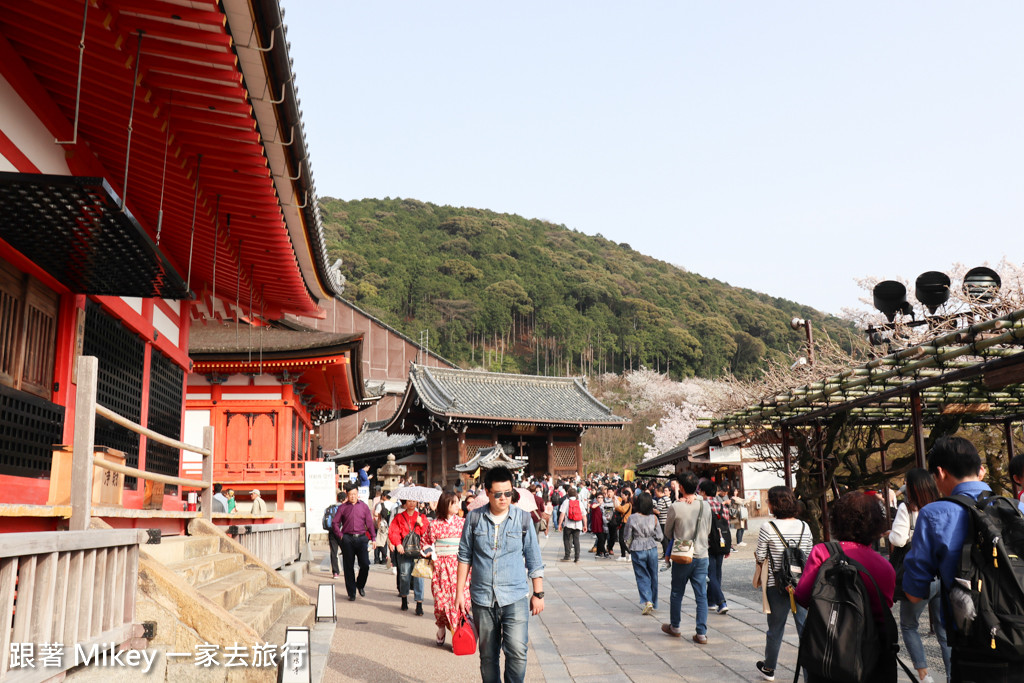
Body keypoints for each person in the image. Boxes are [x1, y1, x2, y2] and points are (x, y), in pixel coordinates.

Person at [903, 436, 1022, 683]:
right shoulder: (1015, 508)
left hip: (974, 649)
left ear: (940, 473)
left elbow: (915, 593)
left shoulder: (934, 514)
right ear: (979, 470)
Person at [794, 491, 896, 683]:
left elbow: (802, 596)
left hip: (827, 650)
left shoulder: (822, 553)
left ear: (836, 520)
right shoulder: (885, 567)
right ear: (876, 524)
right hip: (870, 655)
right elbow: (884, 609)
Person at [456, 466, 545, 683]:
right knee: (488, 655)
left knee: (517, 650)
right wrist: (459, 593)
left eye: (508, 493)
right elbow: (464, 556)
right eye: (498, 494)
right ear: (487, 492)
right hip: (483, 598)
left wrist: (538, 593)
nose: (503, 498)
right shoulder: (474, 518)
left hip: (514, 596)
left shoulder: (523, 519)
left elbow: (534, 558)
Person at [888, 468, 950, 683]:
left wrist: (888, 533)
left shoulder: (908, 508)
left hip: (918, 575)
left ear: (912, 487)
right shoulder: (944, 506)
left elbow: (898, 540)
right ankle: (952, 676)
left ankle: (924, 675)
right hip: (941, 575)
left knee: (909, 625)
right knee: (944, 630)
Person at [754, 486, 813, 682]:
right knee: (805, 629)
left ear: (774, 504)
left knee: (775, 629)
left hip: (776, 585)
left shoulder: (767, 527)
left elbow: (761, 555)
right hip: (802, 584)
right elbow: (810, 554)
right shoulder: (805, 526)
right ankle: (809, 674)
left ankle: (769, 667)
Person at [661, 472, 712, 644]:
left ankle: (675, 626)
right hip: (702, 554)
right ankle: (701, 633)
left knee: (677, 592)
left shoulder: (676, 507)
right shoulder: (706, 506)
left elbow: (667, 532)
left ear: (680, 487)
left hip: (683, 555)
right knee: (701, 595)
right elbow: (709, 529)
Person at [422, 491, 470, 646]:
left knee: (460, 600)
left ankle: (459, 633)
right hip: (441, 567)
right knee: (441, 602)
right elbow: (425, 542)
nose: (457, 505)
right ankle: (442, 626)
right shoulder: (434, 524)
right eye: (453, 503)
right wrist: (432, 553)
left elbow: (470, 544)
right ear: (445, 504)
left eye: (458, 502)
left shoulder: (462, 522)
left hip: (459, 566)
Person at [331, 483, 375, 601]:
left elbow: (369, 523)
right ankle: (351, 593)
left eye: (355, 494)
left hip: (361, 538)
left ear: (357, 494)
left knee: (365, 564)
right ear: (347, 495)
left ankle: (360, 585)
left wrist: (374, 538)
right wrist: (340, 536)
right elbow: (335, 523)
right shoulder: (343, 507)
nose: (353, 496)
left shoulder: (364, 507)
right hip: (347, 539)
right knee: (348, 566)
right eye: (350, 494)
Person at [623, 492, 663, 615]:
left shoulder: (632, 518)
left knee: (641, 575)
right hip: (652, 547)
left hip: (637, 548)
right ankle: (654, 601)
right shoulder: (654, 518)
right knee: (653, 575)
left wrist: (629, 546)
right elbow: (660, 537)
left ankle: (647, 600)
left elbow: (627, 536)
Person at [388, 495, 429, 614]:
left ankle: (419, 603)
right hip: (404, 551)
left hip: (418, 552)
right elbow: (394, 531)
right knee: (404, 575)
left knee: (419, 577)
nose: (411, 503)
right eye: (409, 501)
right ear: (405, 502)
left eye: (414, 501)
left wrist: (421, 524)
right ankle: (404, 598)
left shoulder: (421, 517)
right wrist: (397, 544)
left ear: (417, 502)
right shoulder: (399, 517)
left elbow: (427, 534)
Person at [700, 479, 731, 615]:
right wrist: (728, 546)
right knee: (717, 573)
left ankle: (721, 601)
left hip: (707, 543)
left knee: (710, 574)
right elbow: (727, 525)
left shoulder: (702, 506)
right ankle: (711, 601)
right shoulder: (722, 506)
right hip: (721, 542)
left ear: (704, 492)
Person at [558, 487, 587, 563]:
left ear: (568, 494)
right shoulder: (579, 502)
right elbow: (584, 515)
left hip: (568, 524)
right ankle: (577, 557)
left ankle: (567, 556)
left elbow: (562, 514)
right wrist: (585, 525)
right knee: (576, 540)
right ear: (576, 494)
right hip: (578, 524)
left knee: (567, 540)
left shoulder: (566, 502)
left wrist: (560, 524)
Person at [614, 488, 633, 561]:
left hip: (625, 523)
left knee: (622, 540)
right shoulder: (624, 503)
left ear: (627, 496)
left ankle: (630, 553)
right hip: (622, 522)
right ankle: (623, 555)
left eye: (623, 495)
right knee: (621, 539)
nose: (622, 497)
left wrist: (616, 501)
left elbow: (621, 509)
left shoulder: (628, 504)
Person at [590, 492, 608, 558]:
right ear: (596, 498)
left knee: (601, 539)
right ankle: (604, 552)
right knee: (601, 538)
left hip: (603, 524)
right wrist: (599, 504)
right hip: (597, 524)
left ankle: (598, 553)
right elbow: (592, 506)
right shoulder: (595, 503)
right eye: (598, 497)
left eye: (601, 497)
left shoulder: (604, 505)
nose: (600, 499)